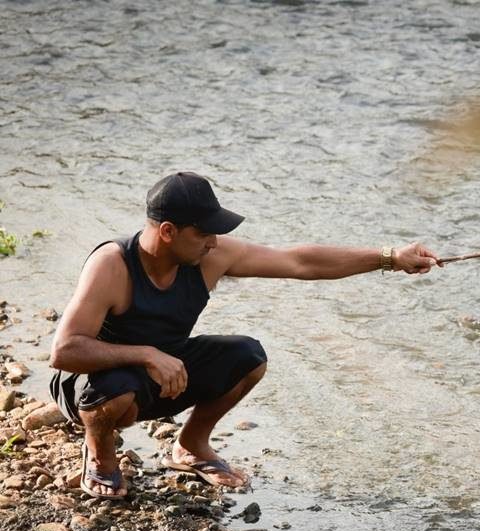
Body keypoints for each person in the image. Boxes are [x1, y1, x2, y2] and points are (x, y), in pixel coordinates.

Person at [49, 171, 440, 499]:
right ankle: (100, 455)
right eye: (204, 233)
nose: (214, 242)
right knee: (118, 390)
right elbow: (65, 350)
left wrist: (389, 257)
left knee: (248, 357)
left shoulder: (209, 255)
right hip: (94, 384)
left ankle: (190, 447)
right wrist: (147, 354)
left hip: (167, 374)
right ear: (168, 231)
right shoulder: (112, 265)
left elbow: (298, 261)